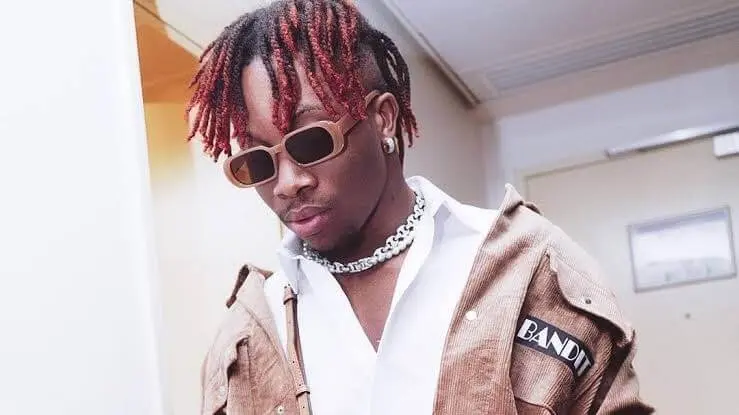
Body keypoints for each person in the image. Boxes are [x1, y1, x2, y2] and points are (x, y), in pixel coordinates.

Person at [186, 1, 653, 414]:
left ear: (383, 118)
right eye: (257, 162)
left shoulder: (529, 268)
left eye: (311, 141)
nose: (287, 184)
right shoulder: (249, 334)